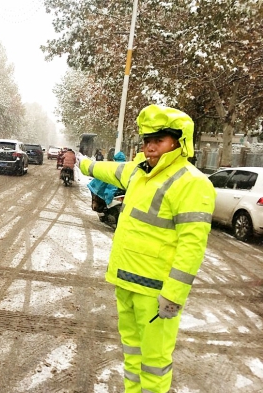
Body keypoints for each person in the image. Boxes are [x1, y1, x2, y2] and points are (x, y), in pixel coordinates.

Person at [77, 104, 216, 393]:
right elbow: (107, 169)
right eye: (147, 140)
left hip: (155, 294)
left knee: (154, 364)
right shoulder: (138, 173)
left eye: (159, 140)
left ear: (179, 142)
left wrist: (174, 296)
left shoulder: (192, 183)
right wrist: (81, 162)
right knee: (132, 356)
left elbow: (192, 246)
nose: (150, 147)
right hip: (125, 284)